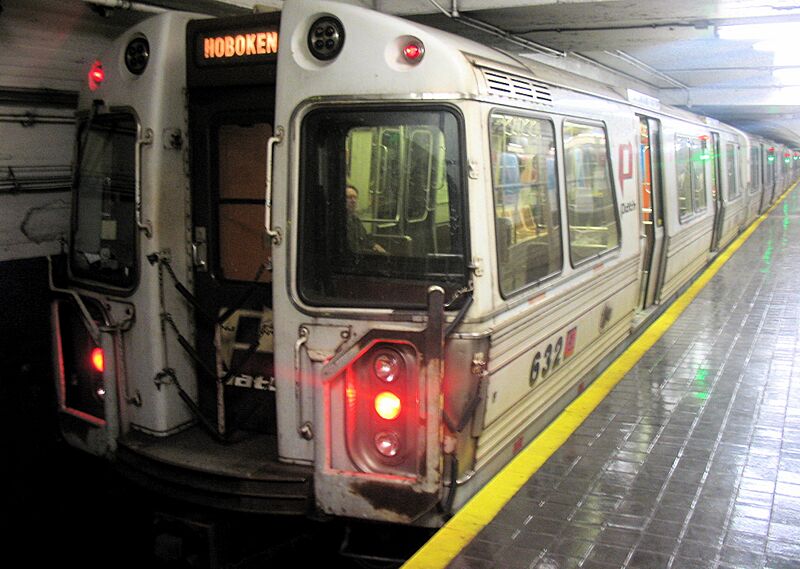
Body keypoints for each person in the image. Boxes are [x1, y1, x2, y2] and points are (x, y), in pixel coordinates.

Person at [345, 185, 386, 254]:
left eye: (355, 197)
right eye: (349, 197)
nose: (353, 201)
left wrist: (374, 245)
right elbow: (353, 248)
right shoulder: (341, 221)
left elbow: (365, 238)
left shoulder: (354, 219)